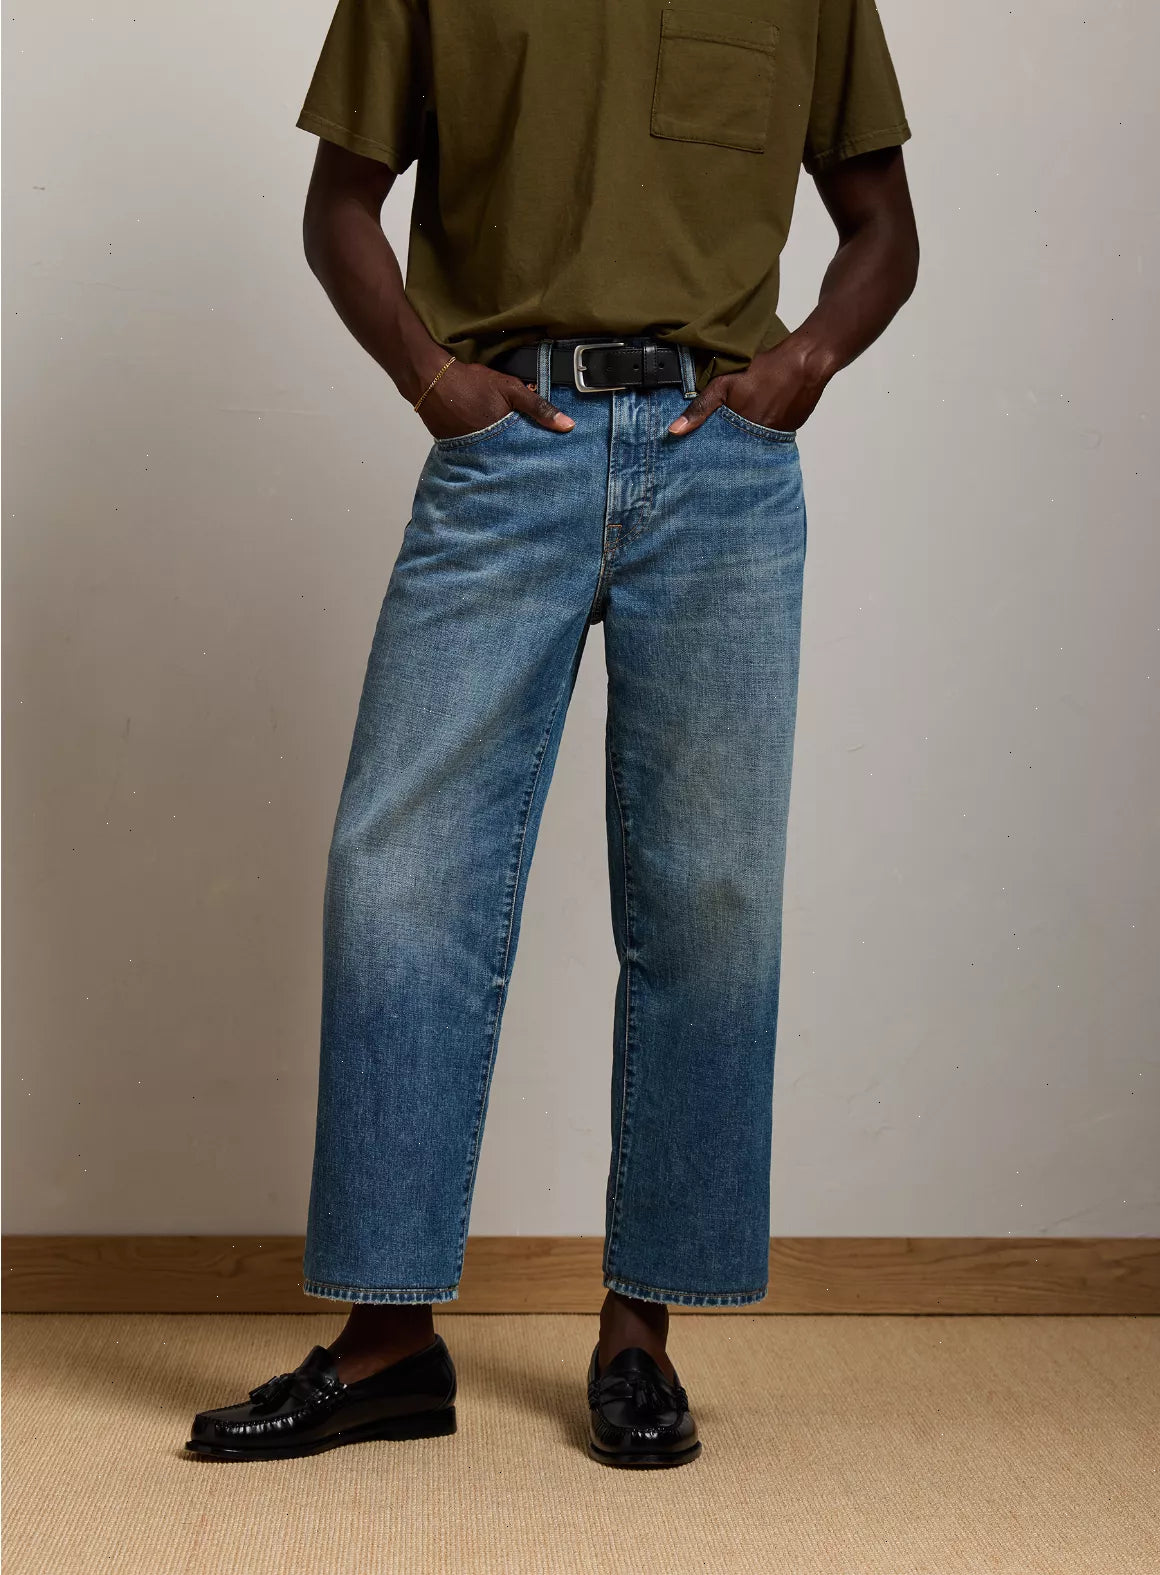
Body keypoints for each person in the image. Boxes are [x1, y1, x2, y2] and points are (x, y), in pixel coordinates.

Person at [187, 0, 917, 1469]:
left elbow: (882, 225)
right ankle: (387, 1344)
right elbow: (339, 204)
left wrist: (805, 363)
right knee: (400, 876)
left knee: (710, 900)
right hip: (506, 455)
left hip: (722, 471)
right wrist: (432, 380)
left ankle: (642, 1333)